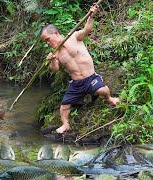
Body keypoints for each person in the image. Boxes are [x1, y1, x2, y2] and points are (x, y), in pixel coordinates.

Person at [40, 5, 120, 134]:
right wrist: (52, 60)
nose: (48, 43)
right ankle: (66, 124)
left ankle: (109, 99)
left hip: (90, 77)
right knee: (64, 107)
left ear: (55, 33)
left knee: (102, 90)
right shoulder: (56, 54)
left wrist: (91, 16)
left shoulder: (74, 37)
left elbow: (87, 30)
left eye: (48, 39)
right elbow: (55, 70)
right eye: (45, 42)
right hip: (76, 83)